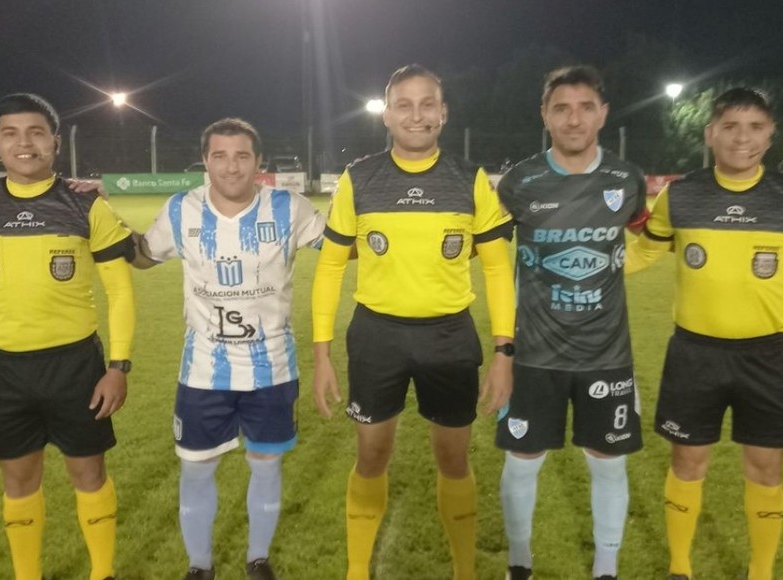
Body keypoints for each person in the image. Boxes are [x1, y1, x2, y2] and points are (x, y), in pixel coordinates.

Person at [311, 64, 516, 580]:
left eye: (428, 104)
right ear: (386, 114)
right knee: (371, 455)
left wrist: (504, 354)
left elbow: (497, 270)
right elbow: (331, 266)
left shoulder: (470, 180)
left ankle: (464, 571)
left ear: (443, 113)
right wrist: (321, 354)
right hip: (376, 336)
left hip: (449, 336)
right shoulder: (359, 179)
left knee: (454, 460)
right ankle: (358, 571)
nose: (416, 115)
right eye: (404, 104)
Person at [625, 87, 783, 580]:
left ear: (772, 134)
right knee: (687, 462)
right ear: (710, 134)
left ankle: (760, 572)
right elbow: (645, 253)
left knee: (766, 468)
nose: (743, 138)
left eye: (756, 127)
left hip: (767, 357)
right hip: (693, 353)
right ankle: (680, 567)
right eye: (731, 127)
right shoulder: (680, 196)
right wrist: (586, 260)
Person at [132, 117, 324, 580]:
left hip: (272, 368)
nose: (231, 166)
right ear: (205, 160)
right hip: (203, 370)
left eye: (242, 156)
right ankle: (200, 566)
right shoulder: (182, 210)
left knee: (266, 465)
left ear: (259, 162)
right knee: (197, 470)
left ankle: (258, 558)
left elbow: (343, 247)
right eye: (219, 156)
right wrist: (98, 215)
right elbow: (142, 255)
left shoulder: (290, 208)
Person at [0, 93, 135, 580]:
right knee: (18, 480)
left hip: (75, 366)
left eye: (36, 132)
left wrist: (118, 367)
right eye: (11, 133)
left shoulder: (85, 205)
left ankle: (102, 573)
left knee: (89, 473)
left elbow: (120, 291)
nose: (25, 143)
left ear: (56, 142)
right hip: (2, 369)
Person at [494, 66, 649, 580]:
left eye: (585, 107)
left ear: (603, 114)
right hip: (534, 354)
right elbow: (489, 256)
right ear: (545, 115)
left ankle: (606, 568)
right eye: (561, 108)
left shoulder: (626, 180)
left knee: (608, 461)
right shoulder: (519, 183)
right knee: (522, 459)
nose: (574, 119)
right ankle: (520, 561)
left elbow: (650, 240)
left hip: (607, 354)